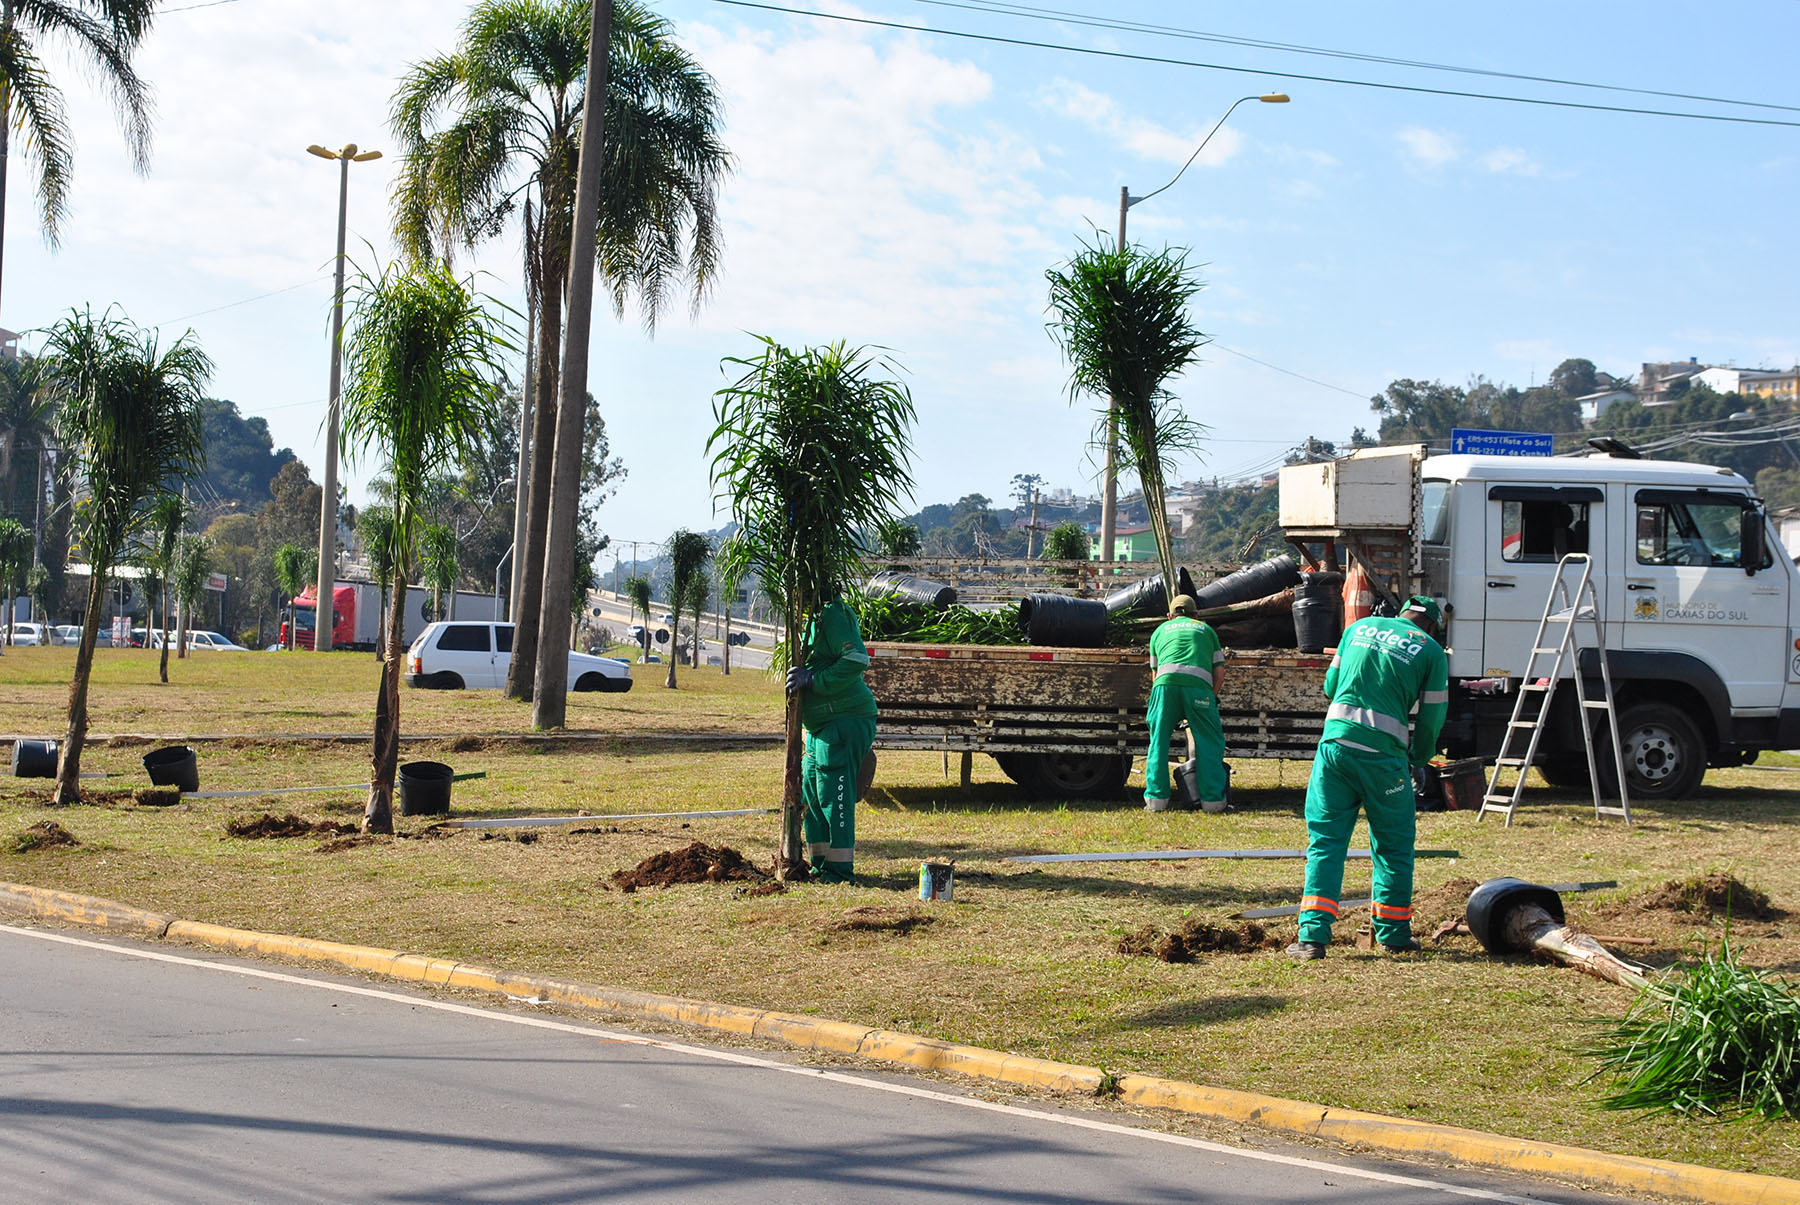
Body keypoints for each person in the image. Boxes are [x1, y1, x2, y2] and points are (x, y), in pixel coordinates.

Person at [1287, 594, 1449, 960]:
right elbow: (1432, 718)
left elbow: (1331, 687)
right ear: (1433, 626)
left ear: (1404, 612)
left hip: (1335, 752)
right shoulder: (1430, 651)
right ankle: (1393, 935)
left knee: (1326, 843)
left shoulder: (1358, 628)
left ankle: (1311, 938)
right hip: (1383, 761)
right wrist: (1419, 758)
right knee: (1393, 847)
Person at [785, 592, 878, 883]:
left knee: (832, 797)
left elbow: (855, 658)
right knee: (812, 797)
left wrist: (814, 681)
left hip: (843, 721)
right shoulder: (811, 618)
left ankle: (838, 872)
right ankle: (820, 865)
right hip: (819, 728)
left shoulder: (832, 614)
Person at [1142, 594, 1228, 813]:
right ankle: (1213, 803)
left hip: (1164, 687)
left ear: (1169, 616)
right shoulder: (1206, 630)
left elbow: (1155, 675)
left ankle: (1156, 801)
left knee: (1158, 742)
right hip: (1198, 688)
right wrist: (1211, 699)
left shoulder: (1159, 632)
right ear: (1196, 615)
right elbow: (1219, 673)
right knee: (1208, 742)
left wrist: (1165, 703)